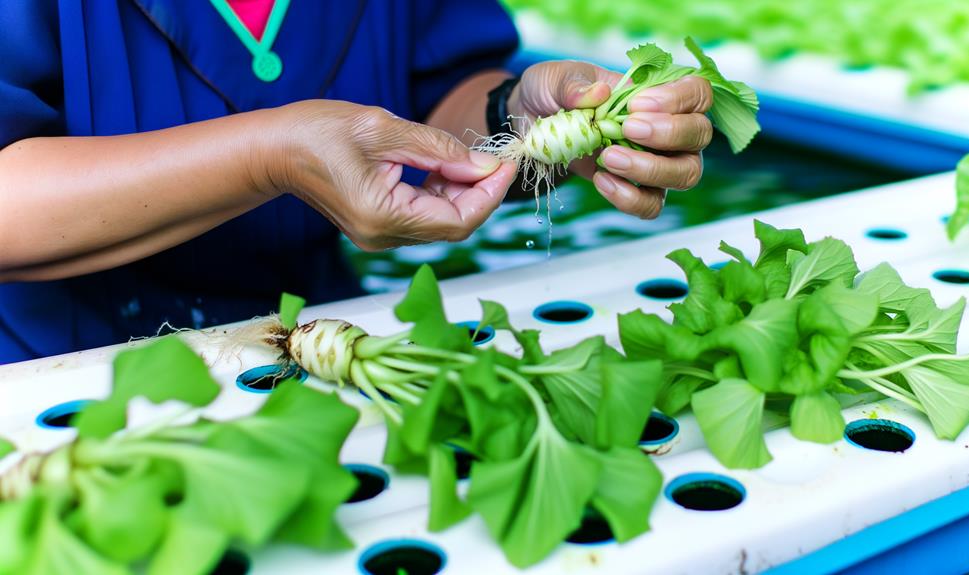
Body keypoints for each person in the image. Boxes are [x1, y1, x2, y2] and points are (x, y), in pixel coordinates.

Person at [0, 0, 713, 364]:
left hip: (320, 344)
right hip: (52, 369)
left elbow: (439, 96)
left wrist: (518, 122)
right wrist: (269, 156)